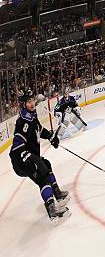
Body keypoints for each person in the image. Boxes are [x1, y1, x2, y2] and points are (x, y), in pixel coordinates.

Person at [10, 90, 70, 225]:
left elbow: (39, 129)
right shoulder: (23, 121)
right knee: (42, 176)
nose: (32, 104)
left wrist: (50, 137)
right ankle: (52, 211)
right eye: (29, 102)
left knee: (46, 165)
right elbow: (17, 145)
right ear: (23, 104)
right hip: (20, 158)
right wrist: (27, 156)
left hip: (27, 156)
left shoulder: (31, 116)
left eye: (33, 101)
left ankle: (57, 194)